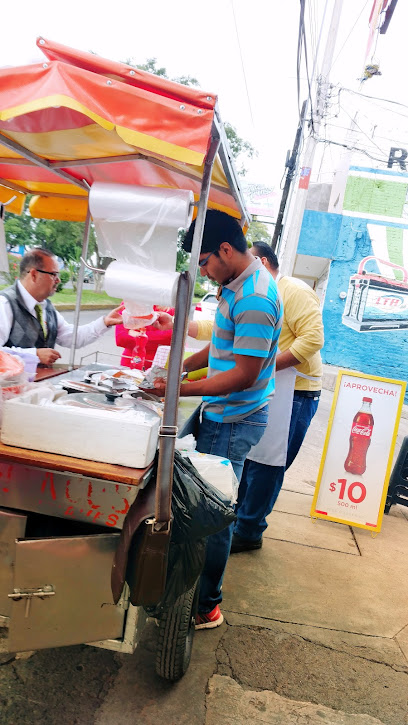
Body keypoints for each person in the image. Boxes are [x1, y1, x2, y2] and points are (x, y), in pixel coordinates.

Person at [149, 210, 282, 629]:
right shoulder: (235, 284)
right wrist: (181, 369)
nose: (204, 272)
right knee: (200, 501)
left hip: (235, 419)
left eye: (205, 261)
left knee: (212, 515)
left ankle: (206, 604)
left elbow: (241, 375)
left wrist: (175, 391)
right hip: (222, 413)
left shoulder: (256, 298)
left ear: (226, 249)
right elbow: (223, 345)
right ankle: (192, 589)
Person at [231, 242, 324, 552]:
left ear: (262, 261)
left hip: (296, 391)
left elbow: (313, 338)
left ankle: (249, 529)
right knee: (251, 456)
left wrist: (265, 368)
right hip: (266, 387)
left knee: (268, 463)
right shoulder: (253, 294)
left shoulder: (293, 291)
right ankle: (239, 520)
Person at [0, 248, 122, 365]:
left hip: (37, 383)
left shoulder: (45, 306)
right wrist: (34, 355)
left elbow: (71, 337)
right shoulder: (5, 304)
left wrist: (105, 322)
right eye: (53, 274)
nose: (58, 280)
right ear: (34, 275)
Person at [115, 305, 175, 370]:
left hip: (164, 366)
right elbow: (121, 339)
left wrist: (138, 335)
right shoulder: (130, 302)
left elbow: (174, 338)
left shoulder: (171, 304)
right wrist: (159, 341)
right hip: (131, 365)